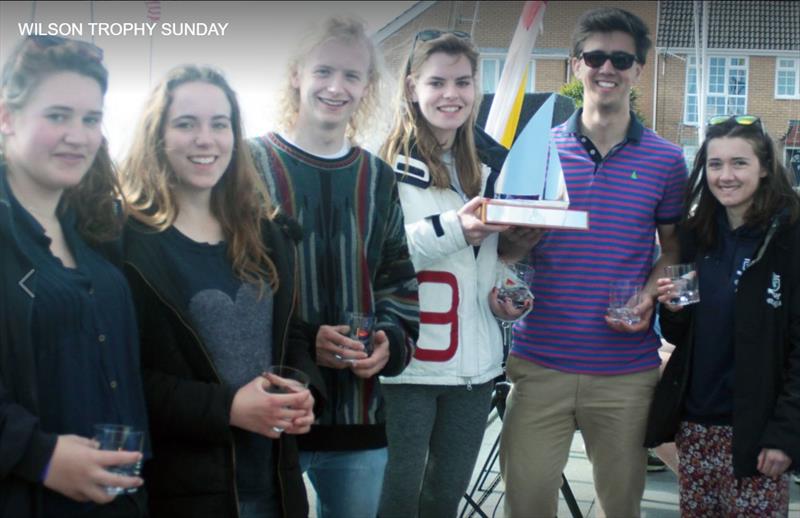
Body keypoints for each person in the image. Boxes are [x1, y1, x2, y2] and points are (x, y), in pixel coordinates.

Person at [498, 8, 689, 517]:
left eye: (621, 58)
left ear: (638, 70)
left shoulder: (667, 160)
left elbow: (673, 247)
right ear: (575, 64)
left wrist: (650, 296)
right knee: (527, 506)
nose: (607, 67)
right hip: (540, 363)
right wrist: (515, 247)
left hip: (626, 371)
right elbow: (505, 252)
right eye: (595, 56)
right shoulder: (537, 149)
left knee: (620, 509)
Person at [119, 65, 321, 518]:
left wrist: (306, 392)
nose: (205, 139)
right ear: (158, 136)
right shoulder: (127, 245)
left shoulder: (268, 235)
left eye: (219, 124)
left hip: (276, 484)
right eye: (186, 124)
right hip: (183, 492)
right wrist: (227, 408)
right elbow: (123, 377)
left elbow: (292, 336)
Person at [248, 17, 419, 518]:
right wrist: (303, 338)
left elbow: (397, 279)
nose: (336, 87)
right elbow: (229, 286)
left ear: (367, 85)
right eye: (323, 70)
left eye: (352, 75)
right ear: (297, 74)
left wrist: (389, 339)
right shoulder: (247, 165)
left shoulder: (378, 177)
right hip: (268, 413)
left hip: (358, 418)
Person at [377, 30, 534, 518]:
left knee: (443, 501)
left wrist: (508, 283)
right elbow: (375, 255)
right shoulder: (380, 164)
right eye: (437, 82)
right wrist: (454, 229)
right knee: (395, 501)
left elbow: (483, 265)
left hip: (477, 367)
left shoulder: (485, 168)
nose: (451, 94)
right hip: (408, 365)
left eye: (463, 82)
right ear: (411, 88)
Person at [0, 36, 149, 517]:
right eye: (57, 115)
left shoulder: (94, 233)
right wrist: (37, 455)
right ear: (6, 117)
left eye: (91, 119)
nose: (78, 135)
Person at [645, 114, 800, 516]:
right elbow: (684, 333)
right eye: (715, 164)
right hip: (697, 425)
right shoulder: (697, 234)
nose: (725, 176)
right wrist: (674, 310)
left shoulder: (790, 239)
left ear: (765, 168)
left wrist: (785, 435)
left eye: (739, 163)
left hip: (757, 430)